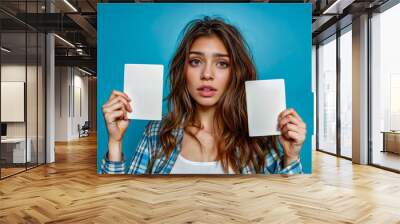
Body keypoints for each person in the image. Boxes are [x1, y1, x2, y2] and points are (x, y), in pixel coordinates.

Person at [100, 16, 306, 174]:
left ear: (235, 73)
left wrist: (291, 157)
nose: (207, 74)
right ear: (183, 71)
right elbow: (120, 203)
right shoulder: (156, 133)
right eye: (196, 61)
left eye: (222, 63)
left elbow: (284, 209)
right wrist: (115, 142)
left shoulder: (256, 141)